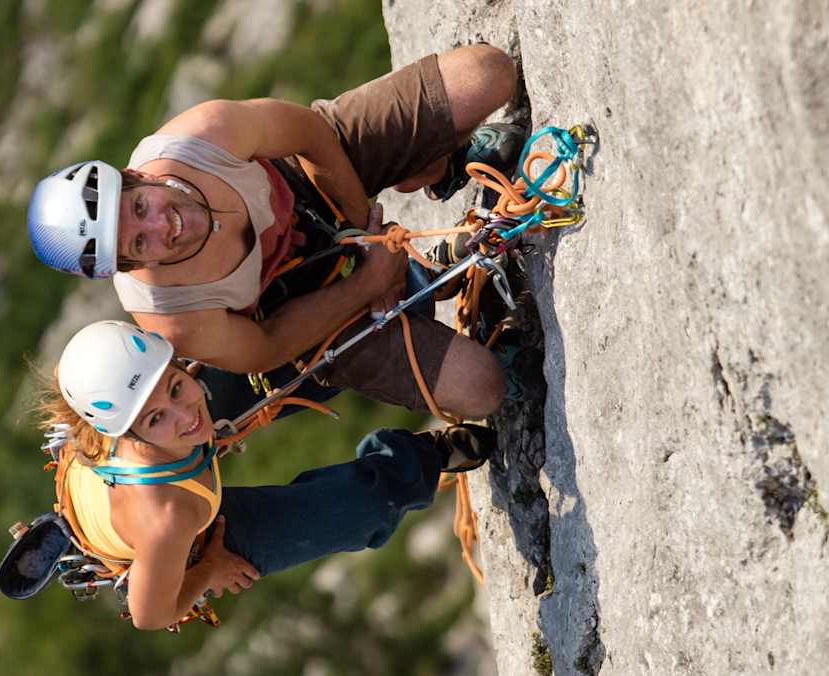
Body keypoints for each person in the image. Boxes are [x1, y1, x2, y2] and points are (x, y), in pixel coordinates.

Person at [27, 44, 525, 422]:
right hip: (303, 309)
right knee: (482, 388)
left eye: (139, 205)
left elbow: (309, 133)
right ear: (133, 267)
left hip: (309, 174)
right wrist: (366, 285)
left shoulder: (202, 136)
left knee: (487, 73)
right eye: (139, 243)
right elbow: (265, 345)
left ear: (136, 176)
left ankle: (436, 167)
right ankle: (427, 244)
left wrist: (362, 232)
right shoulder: (172, 316)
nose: (162, 225)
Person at [31, 321, 494, 630]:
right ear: (131, 432)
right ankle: (424, 458)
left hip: (151, 471)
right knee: (359, 510)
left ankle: (403, 343)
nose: (186, 413)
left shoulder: (113, 385)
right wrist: (208, 569)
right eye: (155, 418)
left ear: (177, 366)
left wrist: (167, 407)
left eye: (177, 385)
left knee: (293, 351)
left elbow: (103, 382)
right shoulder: (167, 518)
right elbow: (149, 614)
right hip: (194, 535)